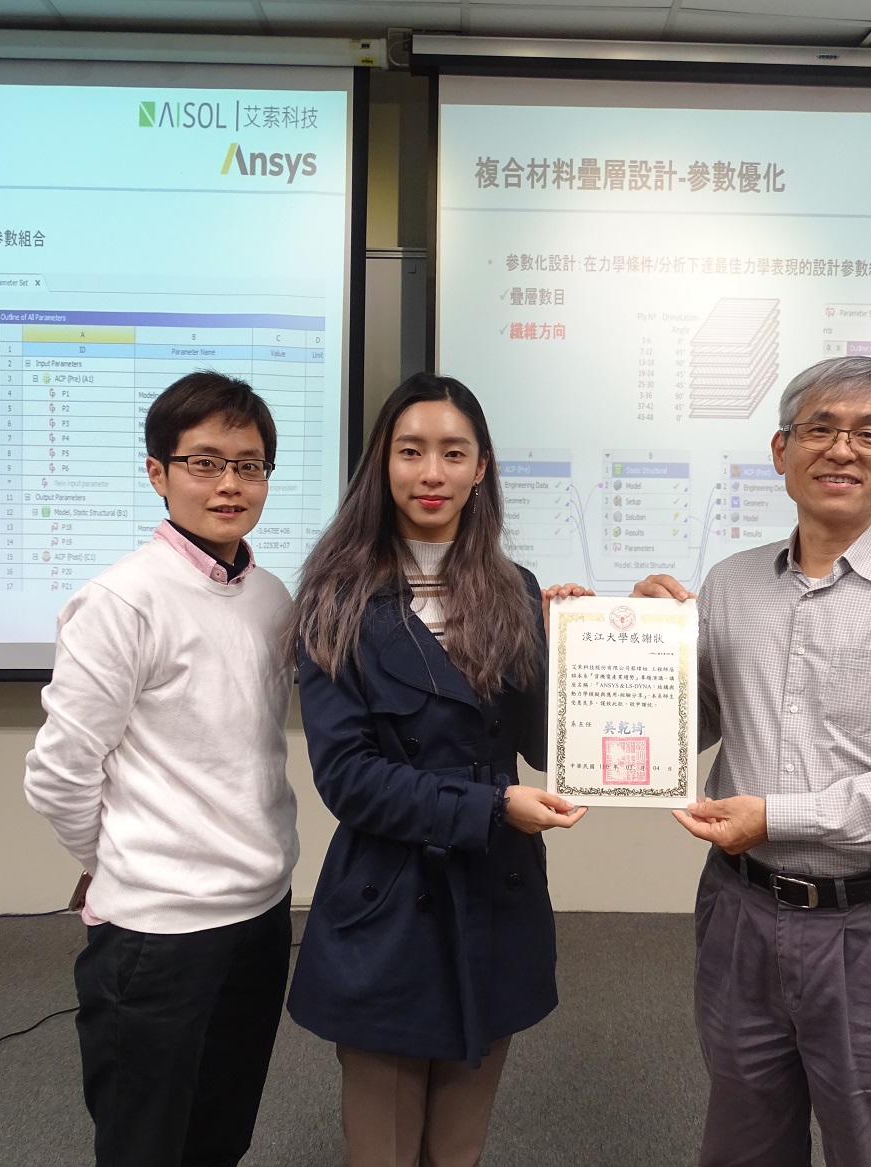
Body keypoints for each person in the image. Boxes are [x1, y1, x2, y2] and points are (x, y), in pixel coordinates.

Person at [634, 355, 871, 1167]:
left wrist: (779, 816)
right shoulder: (729, 584)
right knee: (743, 1141)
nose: (841, 449)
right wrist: (639, 648)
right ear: (781, 451)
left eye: (868, 434)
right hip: (740, 911)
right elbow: (696, 722)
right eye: (820, 429)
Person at [287, 372, 589, 1167]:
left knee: (459, 1147)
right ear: (381, 463)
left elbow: (541, 741)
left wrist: (581, 643)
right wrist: (491, 807)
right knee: (382, 1150)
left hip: (496, 891)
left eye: (454, 453)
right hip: (391, 896)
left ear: (481, 467)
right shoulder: (335, 597)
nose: (432, 473)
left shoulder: (514, 588)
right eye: (411, 451)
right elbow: (348, 777)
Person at [24, 371, 297, 1167]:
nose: (229, 484)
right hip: (159, 929)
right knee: (144, 1141)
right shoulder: (121, 601)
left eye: (248, 465)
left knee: (221, 1130)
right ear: (158, 472)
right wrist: (117, 861)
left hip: (261, 910)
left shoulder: (270, 596)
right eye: (204, 462)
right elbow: (60, 773)